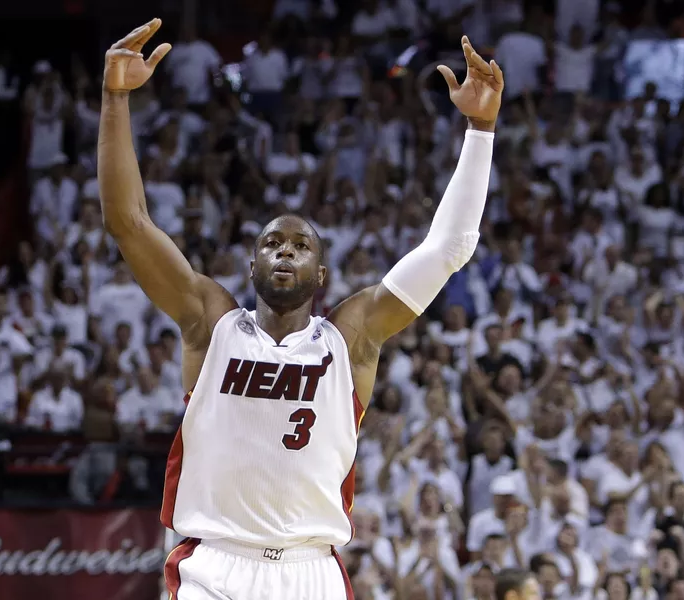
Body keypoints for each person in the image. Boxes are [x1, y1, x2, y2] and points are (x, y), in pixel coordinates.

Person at [99, 18, 503, 600]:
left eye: (300, 244)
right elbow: (127, 222)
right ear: (252, 266)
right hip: (216, 565)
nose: (284, 248)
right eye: (270, 242)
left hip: (310, 570)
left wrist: (481, 129)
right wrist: (115, 99)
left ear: (321, 274)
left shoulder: (351, 336)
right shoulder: (210, 322)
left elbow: (450, 248)